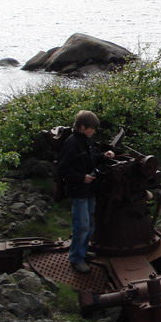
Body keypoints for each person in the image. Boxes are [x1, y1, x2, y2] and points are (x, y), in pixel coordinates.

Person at [57, 110, 114, 273]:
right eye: (92, 128)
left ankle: (82, 251)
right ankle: (76, 258)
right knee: (81, 226)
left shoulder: (87, 141)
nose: (94, 131)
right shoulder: (72, 143)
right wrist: (81, 178)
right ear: (82, 127)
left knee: (90, 225)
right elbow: (63, 168)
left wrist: (104, 155)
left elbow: (93, 156)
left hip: (90, 190)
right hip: (79, 190)